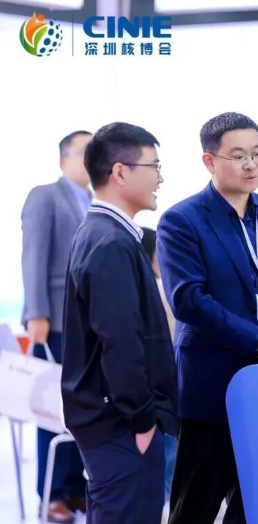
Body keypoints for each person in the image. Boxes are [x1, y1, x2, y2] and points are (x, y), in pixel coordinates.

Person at [157, 112, 258, 524]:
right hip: (212, 383)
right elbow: (188, 300)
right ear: (209, 161)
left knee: (257, 504)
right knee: (196, 505)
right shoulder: (182, 220)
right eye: (239, 155)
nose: (251, 164)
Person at [61, 122, 178, 524]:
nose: (160, 177)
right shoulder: (110, 241)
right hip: (122, 427)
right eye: (154, 166)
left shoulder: (107, 233)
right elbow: (120, 341)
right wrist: (143, 421)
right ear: (120, 172)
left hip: (116, 424)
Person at [21, 130, 92, 523]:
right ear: (65, 158)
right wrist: (37, 315)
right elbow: (33, 257)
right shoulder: (46, 196)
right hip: (55, 323)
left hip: (87, 325)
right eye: (85, 151)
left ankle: (75, 487)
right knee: (51, 409)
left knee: (81, 408)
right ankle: (51, 494)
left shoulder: (95, 201)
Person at [141, 227, 177, 522]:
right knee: (169, 454)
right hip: (167, 385)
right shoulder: (161, 290)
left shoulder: (136, 291)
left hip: (144, 389)